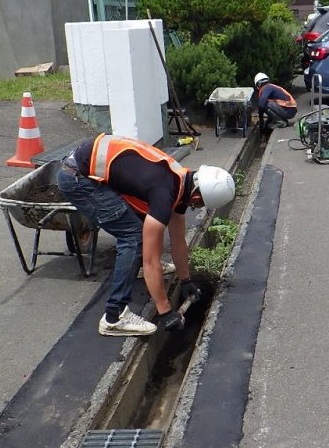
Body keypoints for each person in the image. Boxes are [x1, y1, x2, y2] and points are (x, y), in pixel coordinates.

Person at [56, 134, 235, 337]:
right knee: (134, 237)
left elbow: (178, 240)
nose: (196, 208)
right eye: (199, 204)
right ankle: (114, 317)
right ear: (196, 195)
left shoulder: (182, 179)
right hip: (78, 179)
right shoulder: (164, 192)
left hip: (86, 164)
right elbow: (152, 262)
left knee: (148, 223)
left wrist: (186, 280)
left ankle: (136, 268)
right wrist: (165, 311)